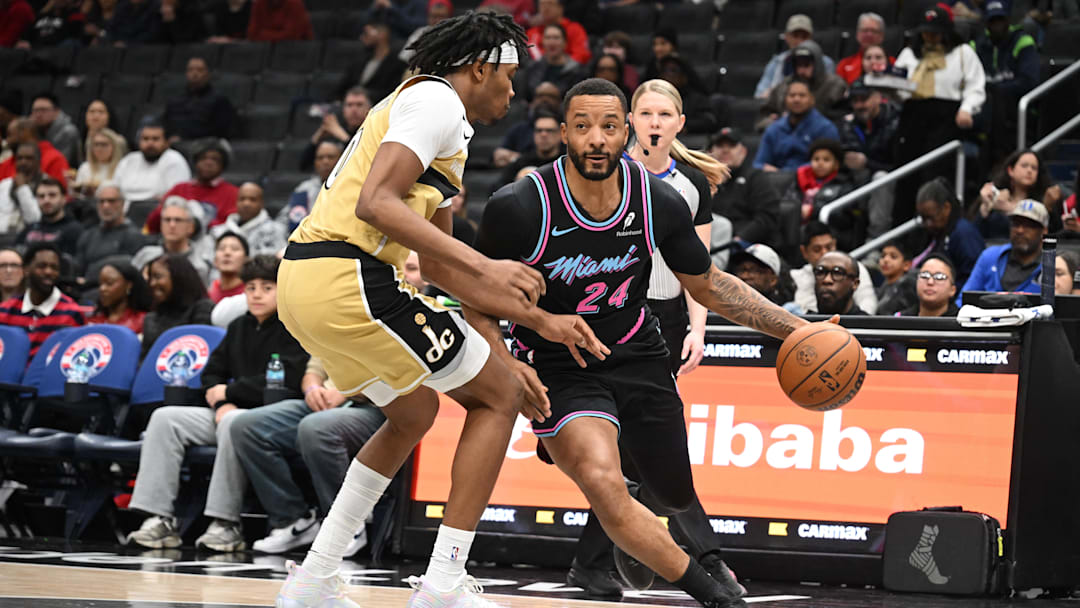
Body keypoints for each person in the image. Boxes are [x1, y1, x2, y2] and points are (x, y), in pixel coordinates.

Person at [273, 12, 604, 608]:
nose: (513, 90)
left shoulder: (438, 123)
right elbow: (376, 203)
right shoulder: (436, 102)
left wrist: (540, 321)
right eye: (508, 76)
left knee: (413, 412)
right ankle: (445, 582)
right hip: (348, 274)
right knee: (499, 395)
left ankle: (317, 576)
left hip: (306, 281)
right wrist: (488, 267)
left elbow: (446, 270)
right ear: (479, 68)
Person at [473, 78, 825, 608]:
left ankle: (633, 531)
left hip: (638, 352)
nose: (597, 139)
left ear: (626, 132)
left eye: (609, 127)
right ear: (564, 132)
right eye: (584, 127)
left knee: (673, 494)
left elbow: (708, 284)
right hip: (559, 366)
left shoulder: (656, 199)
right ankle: (716, 596)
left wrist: (799, 329)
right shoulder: (520, 205)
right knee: (602, 477)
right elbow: (474, 297)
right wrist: (504, 364)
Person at [564, 79, 732, 598]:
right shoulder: (609, 174)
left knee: (638, 454)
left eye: (665, 114)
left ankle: (595, 562)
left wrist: (698, 330)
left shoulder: (691, 186)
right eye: (646, 113)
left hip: (667, 318)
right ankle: (707, 561)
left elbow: (700, 273)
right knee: (644, 451)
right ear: (629, 120)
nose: (655, 122)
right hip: (613, 313)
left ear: (679, 123)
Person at [127, 255, 308, 552]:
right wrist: (221, 401)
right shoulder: (238, 327)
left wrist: (231, 395)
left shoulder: (296, 327)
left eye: (267, 287)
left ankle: (226, 525)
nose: (257, 295)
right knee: (165, 418)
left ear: (284, 290)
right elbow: (211, 374)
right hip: (227, 411)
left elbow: (288, 378)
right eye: (250, 288)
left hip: (270, 419)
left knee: (234, 424)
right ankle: (158, 518)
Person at [232, 354, 386, 556]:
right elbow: (314, 369)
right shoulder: (331, 323)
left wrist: (346, 392)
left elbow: (398, 373)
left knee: (316, 428)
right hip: (327, 401)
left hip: (377, 407)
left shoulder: (386, 324)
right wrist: (313, 390)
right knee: (246, 426)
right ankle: (294, 520)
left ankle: (348, 524)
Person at [893, 5, 985, 226]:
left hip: (946, 119)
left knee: (934, 177)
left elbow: (976, 86)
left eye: (935, 31)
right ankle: (903, 238)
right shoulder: (908, 54)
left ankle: (935, 231)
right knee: (906, 178)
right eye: (926, 31)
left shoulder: (963, 53)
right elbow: (897, 85)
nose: (930, 36)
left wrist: (967, 108)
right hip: (913, 117)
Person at [972, 0, 1039, 167]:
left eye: (1000, 21)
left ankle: (998, 159)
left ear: (1008, 20)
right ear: (986, 23)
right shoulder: (976, 45)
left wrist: (994, 89)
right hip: (984, 110)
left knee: (997, 96)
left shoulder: (1022, 41)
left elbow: (1029, 82)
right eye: (992, 21)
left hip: (1015, 111)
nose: (996, 26)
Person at [838, 79, 900, 240]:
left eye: (864, 100)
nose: (859, 105)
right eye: (855, 101)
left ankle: (876, 242)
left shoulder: (895, 122)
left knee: (881, 178)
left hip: (891, 184)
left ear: (878, 98)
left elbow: (899, 165)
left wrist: (866, 163)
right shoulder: (848, 124)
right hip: (856, 182)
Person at [0, 242, 85, 358]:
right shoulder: (4, 310)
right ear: (26, 270)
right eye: (42, 266)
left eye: (54, 268)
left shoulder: (71, 313)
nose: (48, 272)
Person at [960, 199, 1048, 303]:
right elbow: (964, 300)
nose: (1020, 230)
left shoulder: (1053, 267)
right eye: (1016, 224)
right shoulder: (990, 256)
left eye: (1028, 226)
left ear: (1044, 232)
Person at [707, 128, 780, 251]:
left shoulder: (756, 178)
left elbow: (767, 217)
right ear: (710, 152)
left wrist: (740, 239)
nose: (725, 150)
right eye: (720, 146)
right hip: (710, 243)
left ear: (743, 152)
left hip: (748, 246)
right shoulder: (702, 180)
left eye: (732, 145)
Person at [146, 138, 237, 234]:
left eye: (215, 159)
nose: (208, 163)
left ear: (223, 164)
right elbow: (152, 225)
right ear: (195, 161)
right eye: (203, 158)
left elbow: (231, 226)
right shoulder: (179, 189)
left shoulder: (232, 193)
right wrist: (162, 208)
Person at [781, 138, 859, 249]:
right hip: (796, 227)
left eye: (826, 160)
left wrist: (813, 211)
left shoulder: (844, 184)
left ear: (836, 164)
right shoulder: (799, 179)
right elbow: (787, 202)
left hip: (829, 231)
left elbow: (845, 218)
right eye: (816, 159)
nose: (820, 163)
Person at [757, 41, 848, 131]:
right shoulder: (784, 86)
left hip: (822, 136)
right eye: (798, 65)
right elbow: (762, 119)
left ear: (817, 64)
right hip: (787, 135)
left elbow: (842, 118)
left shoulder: (834, 85)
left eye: (806, 65)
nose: (802, 70)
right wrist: (773, 122)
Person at [791, 221, 878, 314]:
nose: (824, 253)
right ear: (804, 251)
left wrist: (858, 324)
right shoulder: (795, 277)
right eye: (817, 249)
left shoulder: (854, 267)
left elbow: (868, 303)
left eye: (837, 273)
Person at [753, 79, 840, 172]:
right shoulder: (773, 129)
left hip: (814, 181)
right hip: (777, 181)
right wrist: (766, 169)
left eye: (802, 95)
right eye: (792, 95)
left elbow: (830, 163)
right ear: (785, 99)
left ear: (812, 99)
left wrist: (790, 173)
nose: (796, 99)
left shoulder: (825, 128)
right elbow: (759, 163)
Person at [975, 148, 1062, 239]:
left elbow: (1054, 234)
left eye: (1034, 168)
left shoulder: (1044, 202)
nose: (1029, 170)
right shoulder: (996, 197)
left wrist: (1047, 208)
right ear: (1010, 170)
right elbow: (976, 233)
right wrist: (985, 206)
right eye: (1024, 166)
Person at [913, 177, 984, 287]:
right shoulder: (939, 233)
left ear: (946, 207)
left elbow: (973, 278)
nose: (928, 224)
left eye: (931, 218)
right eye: (923, 219)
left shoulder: (964, 233)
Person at [140, 253, 214, 358]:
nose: (152, 283)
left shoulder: (202, 309)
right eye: (150, 278)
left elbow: (202, 353)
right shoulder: (151, 318)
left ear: (178, 277)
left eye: (158, 277)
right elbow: (144, 361)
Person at [73, 182, 146, 281]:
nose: (106, 206)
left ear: (123, 203)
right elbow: (78, 269)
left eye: (111, 201)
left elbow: (129, 271)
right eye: (101, 201)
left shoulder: (134, 236)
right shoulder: (88, 235)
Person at [132, 197, 212, 286]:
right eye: (167, 220)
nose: (172, 225)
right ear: (161, 225)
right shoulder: (146, 255)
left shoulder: (198, 266)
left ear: (191, 227)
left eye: (178, 220)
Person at [755, 14, 836, 99]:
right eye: (795, 36)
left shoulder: (825, 62)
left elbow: (828, 95)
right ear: (786, 37)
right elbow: (759, 94)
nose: (799, 41)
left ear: (811, 38)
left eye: (804, 36)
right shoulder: (777, 61)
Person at [113, 122, 192, 206]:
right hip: (125, 210)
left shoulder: (174, 160)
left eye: (155, 139)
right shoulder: (129, 160)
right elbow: (114, 190)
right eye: (145, 139)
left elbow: (177, 198)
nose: (150, 143)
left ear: (166, 142)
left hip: (157, 211)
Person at [163, 57, 237, 142]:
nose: (195, 73)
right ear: (186, 73)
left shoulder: (219, 100)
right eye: (191, 70)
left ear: (208, 73)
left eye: (200, 70)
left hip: (206, 145)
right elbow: (167, 124)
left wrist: (186, 136)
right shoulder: (175, 100)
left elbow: (222, 130)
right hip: (175, 144)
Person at [337, 14, 407, 103]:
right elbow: (341, 89)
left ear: (382, 34)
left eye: (366, 33)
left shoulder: (398, 65)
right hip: (350, 106)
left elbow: (391, 94)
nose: (361, 38)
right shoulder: (358, 62)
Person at [493, 81, 561, 167]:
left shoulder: (569, 129)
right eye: (540, 96)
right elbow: (499, 156)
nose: (545, 100)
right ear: (532, 101)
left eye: (551, 96)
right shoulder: (519, 130)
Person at [281, 141, 343, 233]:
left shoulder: (350, 186)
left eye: (330, 157)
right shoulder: (304, 188)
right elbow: (286, 219)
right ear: (315, 163)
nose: (325, 161)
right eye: (320, 158)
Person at [301, 88, 368, 173]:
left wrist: (340, 134)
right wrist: (319, 134)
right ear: (343, 110)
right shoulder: (337, 128)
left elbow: (362, 159)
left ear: (369, 109)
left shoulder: (373, 129)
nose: (354, 110)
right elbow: (303, 165)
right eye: (349, 105)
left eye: (359, 105)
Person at [497, 107, 563, 192]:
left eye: (549, 131)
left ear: (561, 134)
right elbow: (498, 189)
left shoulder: (568, 165)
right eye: (539, 130)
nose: (543, 135)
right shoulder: (521, 163)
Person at [210, 182, 285, 256]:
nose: (246, 204)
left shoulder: (276, 230)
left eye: (252, 199)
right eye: (242, 199)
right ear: (236, 202)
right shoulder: (218, 232)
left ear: (262, 203)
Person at [17, 176, 83, 257]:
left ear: (64, 199)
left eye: (52, 195)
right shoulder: (30, 228)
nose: (46, 200)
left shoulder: (74, 230)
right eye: (41, 196)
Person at [0, 117, 71, 190]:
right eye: (20, 158)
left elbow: (60, 194)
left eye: (10, 135)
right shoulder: (6, 163)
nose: (7, 141)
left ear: (25, 133)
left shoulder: (55, 159)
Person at [522, 24, 583, 102]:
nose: (551, 42)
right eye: (548, 38)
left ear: (565, 43)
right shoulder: (532, 69)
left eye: (556, 38)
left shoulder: (576, 71)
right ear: (542, 42)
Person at [86, 260, 152, 333]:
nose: (102, 288)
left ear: (129, 285)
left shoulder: (142, 321)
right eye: (100, 284)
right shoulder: (92, 318)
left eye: (109, 283)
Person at [0, 142, 42, 246]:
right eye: (20, 158)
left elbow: (34, 219)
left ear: (38, 161)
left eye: (29, 158)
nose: (23, 162)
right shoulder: (5, 184)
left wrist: (22, 189)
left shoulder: (45, 184)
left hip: (28, 240)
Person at [727, 243, 794, 307]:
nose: (744, 276)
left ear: (773, 280)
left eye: (753, 270)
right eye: (741, 270)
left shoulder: (787, 313)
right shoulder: (724, 308)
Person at [525, 0, 589, 64]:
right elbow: (530, 57)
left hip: (569, 70)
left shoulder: (575, 30)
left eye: (550, 3)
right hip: (540, 70)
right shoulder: (532, 33)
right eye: (542, 4)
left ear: (561, 8)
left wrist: (562, 66)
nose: (545, 7)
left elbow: (582, 55)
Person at [836, 12, 890, 85]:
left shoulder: (894, 63)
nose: (869, 34)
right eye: (865, 30)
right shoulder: (844, 64)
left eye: (874, 31)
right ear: (857, 34)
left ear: (882, 35)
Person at [72, 128, 127, 199]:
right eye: (96, 144)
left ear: (114, 147)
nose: (99, 148)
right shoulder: (85, 167)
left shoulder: (122, 167)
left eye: (104, 144)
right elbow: (78, 195)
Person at [30, 93, 82, 167]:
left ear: (56, 111)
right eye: (35, 110)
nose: (38, 114)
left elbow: (58, 164)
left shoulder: (68, 132)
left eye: (43, 110)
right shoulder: (36, 129)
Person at [811, 251, 868, 315]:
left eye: (837, 273)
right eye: (820, 272)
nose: (827, 280)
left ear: (855, 283)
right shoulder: (804, 323)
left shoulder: (869, 324)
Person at [875, 240, 915, 317]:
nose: (885, 260)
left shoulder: (908, 288)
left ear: (907, 265)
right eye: (883, 256)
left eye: (893, 257)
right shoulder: (883, 286)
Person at [207, 231, 249, 303]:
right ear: (215, 260)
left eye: (235, 249)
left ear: (246, 259)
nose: (227, 253)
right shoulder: (209, 292)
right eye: (221, 248)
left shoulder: (250, 294)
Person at [246, 0, 313, 42]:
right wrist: (278, 34)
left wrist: (263, 33)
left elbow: (291, 36)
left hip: (297, 54)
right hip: (265, 53)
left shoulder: (295, 3)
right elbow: (252, 34)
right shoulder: (259, 4)